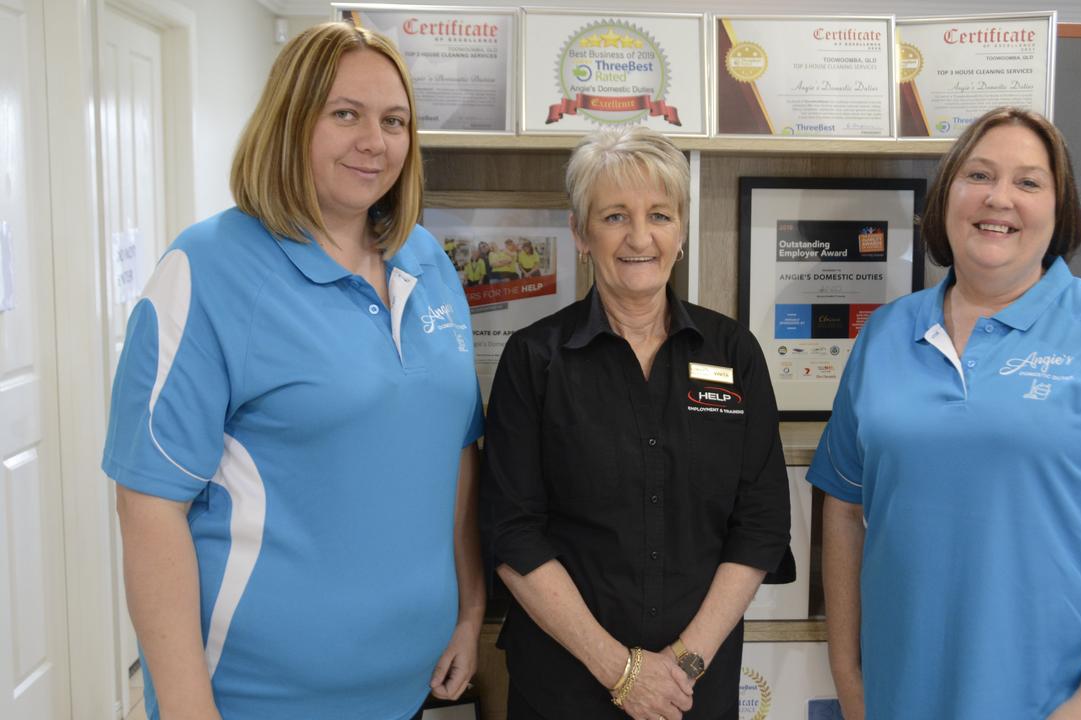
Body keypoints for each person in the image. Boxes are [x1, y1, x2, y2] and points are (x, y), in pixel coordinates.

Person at [103, 22, 485, 720]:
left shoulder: (429, 264)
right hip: (255, 697)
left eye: (394, 121)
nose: (376, 140)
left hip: (404, 687)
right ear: (289, 122)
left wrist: (470, 608)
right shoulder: (208, 270)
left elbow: (455, 453)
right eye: (346, 114)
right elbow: (148, 508)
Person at [808, 107, 1081, 719]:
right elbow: (843, 509)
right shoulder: (887, 333)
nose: (999, 198)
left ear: (1060, 212)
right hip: (898, 700)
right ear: (947, 195)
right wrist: (848, 677)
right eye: (979, 175)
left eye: (1028, 182)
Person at [481, 126, 791, 720]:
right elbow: (511, 532)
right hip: (565, 687)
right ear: (580, 233)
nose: (640, 237)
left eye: (660, 215)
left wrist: (681, 666)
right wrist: (622, 672)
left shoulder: (733, 352)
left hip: (691, 691)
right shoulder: (534, 359)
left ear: (681, 232)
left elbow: (762, 524)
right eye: (615, 216)